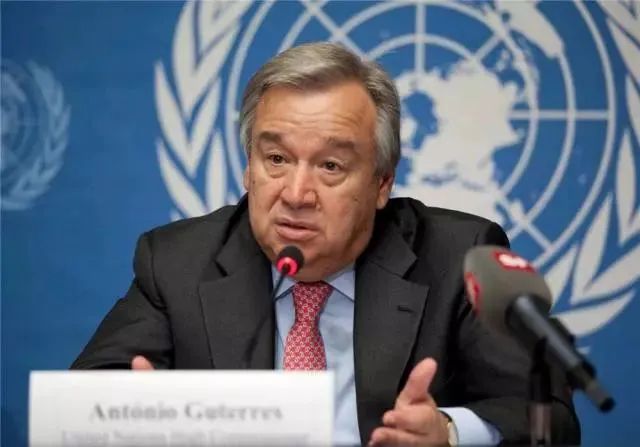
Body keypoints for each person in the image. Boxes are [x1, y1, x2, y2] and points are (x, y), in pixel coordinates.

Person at [72, 42, 580, 445]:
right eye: (276, 159)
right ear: (248, 167)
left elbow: (548, 419)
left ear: (382, 183)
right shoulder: (179, 262)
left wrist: (448, 432)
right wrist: (141, 416)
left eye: (331, 166)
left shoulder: (456, 257)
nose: (296, 194)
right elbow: (84, 403)